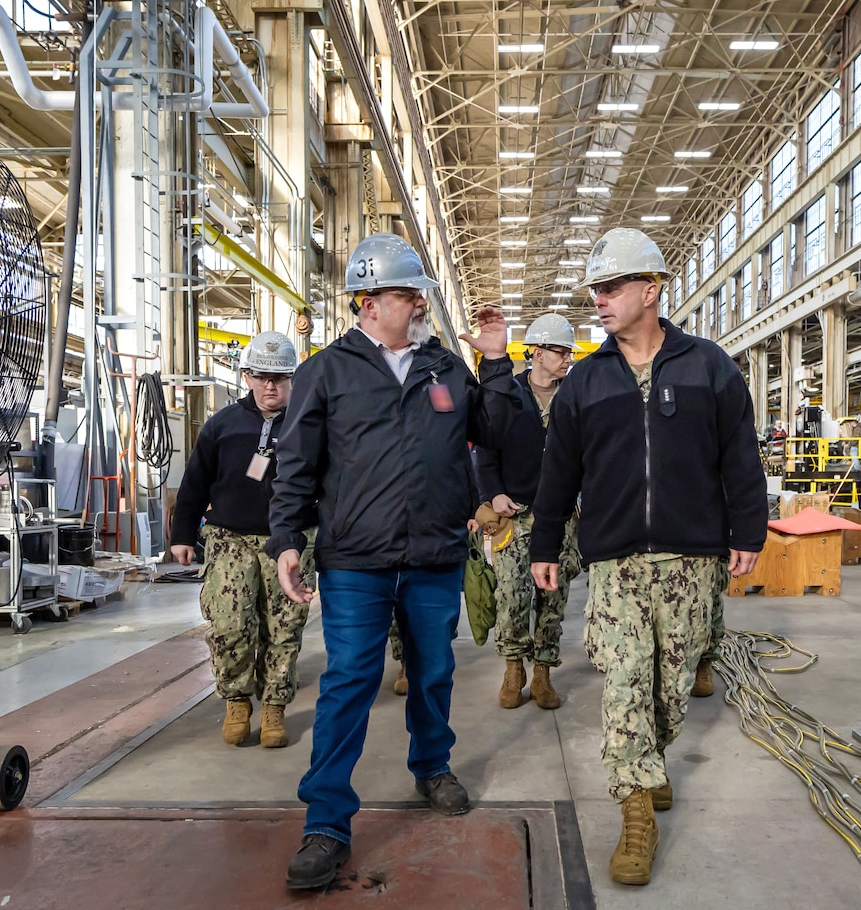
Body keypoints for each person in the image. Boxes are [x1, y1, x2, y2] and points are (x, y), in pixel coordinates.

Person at [265, 232, 521, 891]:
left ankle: (431, 765)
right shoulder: (328, 371)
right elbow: (294, 465)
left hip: (435, 554)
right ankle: (326, 823)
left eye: (419, 296)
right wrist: (288, 540)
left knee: (434, 672)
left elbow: (495, 436)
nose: (419, 306)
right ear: (369, 302)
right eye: (409, 295)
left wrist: (494, 363)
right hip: (355, 560)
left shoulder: (445, 368)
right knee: (349, 679)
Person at [529, 228, 767, 886]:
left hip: (693, 557)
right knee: (625, 679)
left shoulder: (708, 367)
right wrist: (546, 543)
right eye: (595, 291)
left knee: (669, 685)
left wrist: (750, 530)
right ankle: (636, 807)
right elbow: (559, 472)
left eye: (611, 288)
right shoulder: (586, 383)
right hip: (616, 561)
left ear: (651, 290)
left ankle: (650, 758)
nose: (599, 301)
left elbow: (740, 457)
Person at [169, 331, 311, 749]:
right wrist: (182, 534)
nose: (271, 385)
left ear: (293, 379)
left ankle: (273, 707)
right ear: (247, 376)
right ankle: (236, 700)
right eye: (262, 376)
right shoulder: (222, 425)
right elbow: (195, 481)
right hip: (229, 537)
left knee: (283, 628)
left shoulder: (310, 424)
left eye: (280, 378)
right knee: (230, 625)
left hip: (290, 542)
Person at [474, 311, 581, 710]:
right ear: (536, 352)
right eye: (560, 351)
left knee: (553, 598)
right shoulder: (509, 393)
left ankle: (543, 674)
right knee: (512, 596)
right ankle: (513, 667)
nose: (567, 358)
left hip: (561, 516)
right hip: (515, 513)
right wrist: (492, 493)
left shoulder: (574, 397)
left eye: (568, 351)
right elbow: (485, 448)